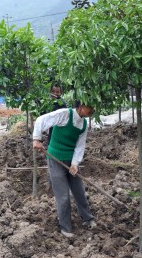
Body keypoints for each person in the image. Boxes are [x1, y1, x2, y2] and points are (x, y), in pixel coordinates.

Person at [33, 101, 96, 238]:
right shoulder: (64, 114)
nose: (92, 110)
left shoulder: (83, 124)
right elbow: (41, 120)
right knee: (63, 196)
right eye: (90, 107)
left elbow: (80, 146)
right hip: (55, 159)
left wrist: (75, 164)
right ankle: (65, 227)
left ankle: (87, 218)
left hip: (71, 159)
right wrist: (37, 139)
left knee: (79, 191)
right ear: (81, 106)